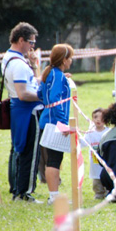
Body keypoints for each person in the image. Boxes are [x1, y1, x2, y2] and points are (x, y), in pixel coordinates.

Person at [2, 22, 43, 202]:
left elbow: (30, 82)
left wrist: (34, 67)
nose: (32, 46)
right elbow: (23, 93)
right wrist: (45, 96)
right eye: (31, 42)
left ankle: (17, 189)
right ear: (20, 40)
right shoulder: (18, 64)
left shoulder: (10, 57)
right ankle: (24, 192)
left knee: (19, 150)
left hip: (19, 109)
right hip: (27, 111)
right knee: (30, 152)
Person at [37, 44, 74, 205]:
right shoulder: (57, 75)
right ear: (64, 60)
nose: (72, 60)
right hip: (54, 123)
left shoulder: (51, 73)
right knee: (54, 159)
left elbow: (40, 94)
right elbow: (54, 100)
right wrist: (61, 123)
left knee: (53, 159)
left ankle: (54, 194)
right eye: (70, 57)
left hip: (47, 120)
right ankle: (54, 196)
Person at [81, 108, 110, 200]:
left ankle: (109, 192)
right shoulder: (90, 133)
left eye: (101, 117)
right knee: (96, 180)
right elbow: (83, 143)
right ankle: (99, 193)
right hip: (95, 162)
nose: (98, 119)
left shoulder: (108, 132)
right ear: (92, 119)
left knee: (107, 177)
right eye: (95, 117)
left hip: (107, 162)